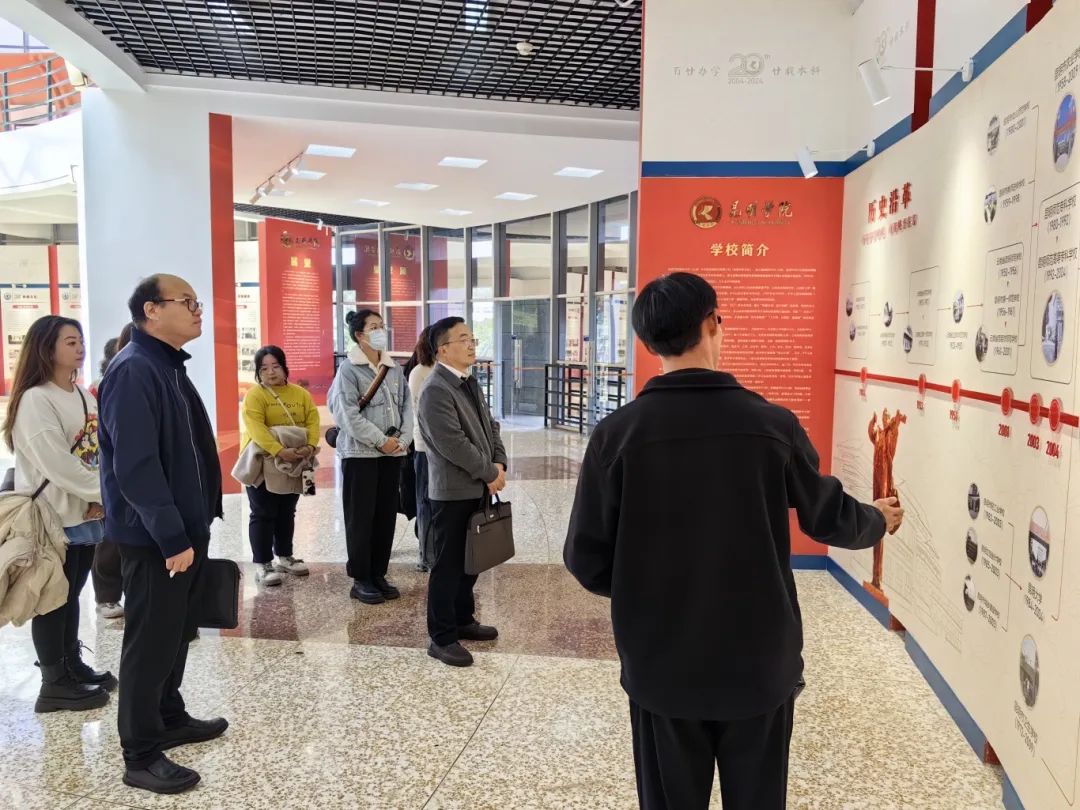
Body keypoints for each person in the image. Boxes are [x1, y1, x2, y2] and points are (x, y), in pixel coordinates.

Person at [563, 272, 904, 810]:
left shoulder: (617, 436)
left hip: (661, 663)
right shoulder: (771, 425)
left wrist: (643, 592)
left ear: (648, 344)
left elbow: (585, 557)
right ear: (712, 323)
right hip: (758, 660)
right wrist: (876, 519)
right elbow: (828, 517)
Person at [98, 274, 227, 795]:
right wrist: (172, 537)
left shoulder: (167, 366)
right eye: (187, 302)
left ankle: (169, 716)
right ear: (151, 310)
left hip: (183, 529)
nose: (198, 310)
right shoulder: (135, 369)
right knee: (150, 642)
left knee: (176, 632)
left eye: (198, 302)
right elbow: (137, 468)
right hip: (155, 538)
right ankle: (141, 754)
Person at [3, 315, 116, 712]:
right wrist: (103, 491)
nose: (80, 348)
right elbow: (56, 462)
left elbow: (97, 450)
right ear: (46, 348)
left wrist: (98, 497)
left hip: (84, 510)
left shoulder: (82, 394)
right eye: (70, 342)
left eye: (80, 340)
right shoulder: (36, 399)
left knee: (71, 593)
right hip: (53, 515)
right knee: (52, 596)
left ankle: (71, 665)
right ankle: (53, 684)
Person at [417, 317, 507, 668]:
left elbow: (490, 425)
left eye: (472, 338)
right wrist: (489, 473)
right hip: (453, 491)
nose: (471, 344)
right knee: (448, 565)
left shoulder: (469, 381)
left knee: (472, 560)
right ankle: (441, 637)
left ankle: (462, 619)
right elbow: (452, 444)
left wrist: (499, 462)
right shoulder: (436, 389)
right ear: (443, 349)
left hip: (479, 484)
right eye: (463, 339)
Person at [328, 309, 412, 604]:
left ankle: (379, 573)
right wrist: (380, 441)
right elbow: (347, 415)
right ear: (359, 335)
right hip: (360, 454)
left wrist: (403, 440)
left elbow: (407, 407)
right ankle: (361, 578)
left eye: (382, 326)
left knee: (385, 516)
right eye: (374, 327)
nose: (381, 331)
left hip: (392, 454)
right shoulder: (349, 370)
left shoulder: (394, 368)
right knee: (360, 518)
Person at [241, 345, 318, 586]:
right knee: (263, 512)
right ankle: (263, 564)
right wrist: (279, 450)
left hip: (295, 461)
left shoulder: (300, 394)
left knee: (287, 510)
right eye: (264, 368)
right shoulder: (255, 395)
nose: (271, 372)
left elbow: (312, 420)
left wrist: (310, 446)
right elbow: (256, 428)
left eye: (275, 366)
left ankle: (285, 556)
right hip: (263, 462)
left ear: (284, 367)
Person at [89, 332, 127, 620]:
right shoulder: (98, 389)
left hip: (133, 471)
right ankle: (107, 597)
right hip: (107, 471)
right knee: (109, 541)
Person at [407, 327, 437, 572]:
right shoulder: (420, 372)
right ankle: (426, 556)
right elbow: (419, 413)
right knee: (426, 501)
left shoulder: (455, 371)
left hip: (448, 450)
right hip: (425, 448)